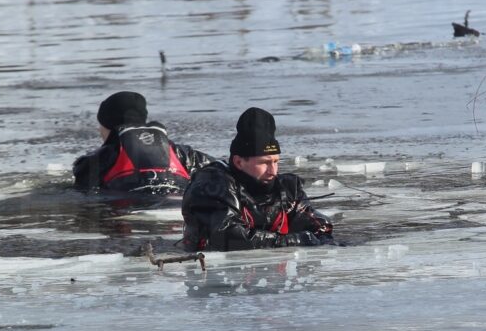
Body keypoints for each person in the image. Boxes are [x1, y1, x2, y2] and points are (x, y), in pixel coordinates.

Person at [181, 107, 334, 251]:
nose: (273, 171)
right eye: (264, 163)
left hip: (274, 273)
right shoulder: (212, 184)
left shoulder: (288, 189)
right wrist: (290, 241)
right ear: (239, 162)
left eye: (276, 162)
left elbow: (319, 227)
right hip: (213, 273)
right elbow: (226, 235)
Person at [73, 91, 214, 194]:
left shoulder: (100, 158)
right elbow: (216, 168)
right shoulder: (182, 153)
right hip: (177, 199)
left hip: (130, 203)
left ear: (107, 126)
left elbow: (83, 187)